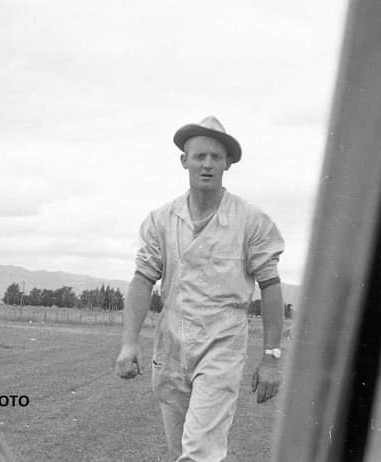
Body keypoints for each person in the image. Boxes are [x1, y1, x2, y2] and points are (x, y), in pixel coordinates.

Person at [115, 116, 286, 461]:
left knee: (199, 452)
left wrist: (271, 357)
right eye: (199, 156)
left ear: (228, 164)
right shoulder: (161, 220)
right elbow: (143, 279)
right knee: (179, 448)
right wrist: (129, 344)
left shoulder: (250, 220)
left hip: (222, 344)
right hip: (171, 346)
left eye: (216, 158)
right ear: (184, 161)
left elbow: (270, 286)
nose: (207, 164)